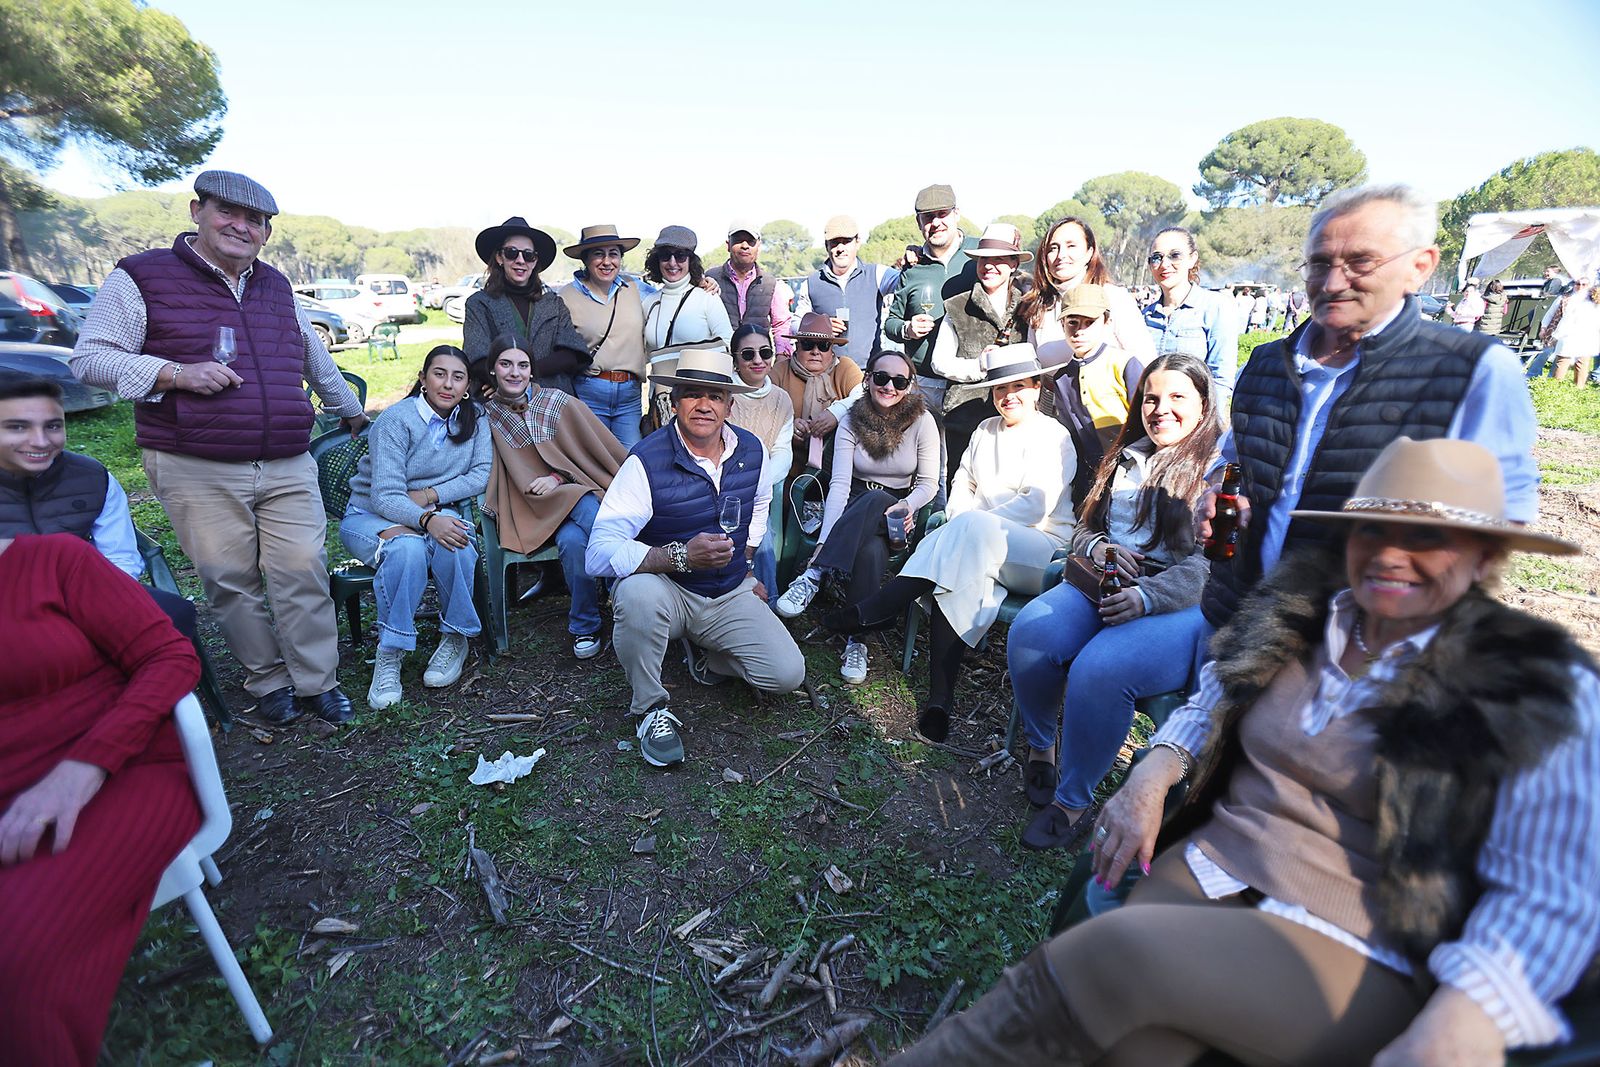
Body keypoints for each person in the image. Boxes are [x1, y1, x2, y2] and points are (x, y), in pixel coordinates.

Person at [890, 437, 1599, 1067]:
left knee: (1112, 957)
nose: (1390, 552)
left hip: (1357, 939)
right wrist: (1153, 772)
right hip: (1214, 864)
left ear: (1486, 558)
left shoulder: (1523, 684)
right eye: (1372, 527)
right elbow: (1210, 701)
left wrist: (1468, 1015)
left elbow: (1553, 889)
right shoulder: (1303, 614)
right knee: (1133, 1045)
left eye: (1426, 537)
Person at [70, 169, 365, 726]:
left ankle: (316, 681)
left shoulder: (274, 284)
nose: (242, 226)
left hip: (284, 457)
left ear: (267, 232)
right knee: (231, 580)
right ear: (196, 211)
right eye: (227, 211)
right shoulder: (142, 277)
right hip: (194, 463)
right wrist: (175, 374)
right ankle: (268, 679)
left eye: (255, 219)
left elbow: (309, 351)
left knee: (302, 568)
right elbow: (91, 358)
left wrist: (346, 406)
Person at [1007, 353, 1223, 851]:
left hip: (1177, 603)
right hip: (1105, 582)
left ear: (1204, 404)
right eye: (1151, 397)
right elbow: (1086, 527)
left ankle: (1072, 799)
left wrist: (1148, 595)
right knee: (1032, 633)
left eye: (1176, 398)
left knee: (1099, 668)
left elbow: (1212, 564)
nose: (1160, 408)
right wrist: (1099, 547)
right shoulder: (1127, 453)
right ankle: (1042, 746)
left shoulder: (1218, 470)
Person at [0, 533, 201, 1066]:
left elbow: (170, 655)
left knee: (12, 950)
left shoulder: (52, 559)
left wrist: (83, 766)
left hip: (127, 767)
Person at [822, 345, 1075, 742]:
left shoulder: (1054, 436)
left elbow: (1034, 505)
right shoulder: (985, 429)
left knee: (967, 535)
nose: (1008, 396)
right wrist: (962, 524)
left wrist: (967, 526)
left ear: (1037, 386)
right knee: (958, 574)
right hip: (977, 546)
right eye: (1000, 389)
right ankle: (940, 702)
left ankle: (878, 607)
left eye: (1019, 387)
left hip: (1038, 549)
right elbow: (963, 483)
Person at [585, 344, 806, 768]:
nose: (703, 405)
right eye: (691, 393)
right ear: (674, 402)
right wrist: (678, 557)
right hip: (670, 590)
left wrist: (745, 560)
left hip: (727, 592)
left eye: (715, 396)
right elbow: (598, 554)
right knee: (635, 595)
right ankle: (649, 709)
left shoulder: (751, 451)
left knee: (786, 675)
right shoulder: (646, 460)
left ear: (730, 404)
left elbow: (759, 507)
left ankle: (706, 654)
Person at [774, 349, 940, 684]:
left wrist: (907, 506)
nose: (889, 386)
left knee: (880, 503)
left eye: (899, 380)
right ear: (867, 380)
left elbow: (929, 484)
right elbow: (838, 486)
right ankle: (858, 637)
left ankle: (814, 575)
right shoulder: (852, 417)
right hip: (854, 499)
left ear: (908, 386)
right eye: (881, 378)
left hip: (897, 510)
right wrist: (824, 542)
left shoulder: (923, 421)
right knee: (870, 549)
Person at [339, 345, 491, 710]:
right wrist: (427, 521)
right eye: (439, 374)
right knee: (406, 550)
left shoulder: (475, 418)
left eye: (458, 377)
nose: (448, 384)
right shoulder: (396, 420)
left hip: (435, 508)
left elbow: (480, 473)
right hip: (370, 516)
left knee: (457, 542)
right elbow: (385, 497)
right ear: (423, 379)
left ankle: (455, 635)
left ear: (467, 385)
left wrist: (430, 497)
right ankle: (391, 650)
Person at [476, 334, 628, 659]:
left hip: (575, 493)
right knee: (583, 506)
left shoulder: (557, 402)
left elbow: (596, 451)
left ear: (532, 371)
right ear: (492, 370)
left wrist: (558, 478)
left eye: (522, 365)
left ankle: (585, 624)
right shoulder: (487, 418)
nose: (514, 373)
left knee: (575, 538)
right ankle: (628, 595)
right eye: (505, 364)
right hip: (529, 507)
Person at [929, 222, 1032, 474]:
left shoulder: (1030, 306)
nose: (989, 266)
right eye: (983, 259)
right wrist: (978, 367)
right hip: (966, 417)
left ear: (1014, 264)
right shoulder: (956, 306)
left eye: (998, 259)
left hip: (1017, 416)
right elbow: (939, 361)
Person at [462, 216, 589, 396]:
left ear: (535, 261)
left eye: (528, 255)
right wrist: (508, 385)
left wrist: (522, 375)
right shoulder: (479, 303)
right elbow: (477, 358)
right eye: (512, 252)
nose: (521, 260)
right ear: (499, 257)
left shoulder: (554, 303)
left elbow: (571, 355)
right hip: (500, 401)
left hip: (552, 400)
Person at [1019, 215, 1155, 371]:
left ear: (1089, 252)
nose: (1061, 255)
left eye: (1071, 246)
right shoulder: (1041, 306)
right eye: (1053, 248)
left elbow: (1146, 363)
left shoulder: (1114, 298)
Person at [885, 184, 980, 405]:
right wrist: (907, 329)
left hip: (972, 382)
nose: (936, 223)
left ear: (956, 214)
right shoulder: (911, 268)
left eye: (942, 214)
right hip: (924, 385)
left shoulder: (979, 253)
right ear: (919, 223)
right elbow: (891, 323)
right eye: (928, 217)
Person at [1051, 284, 1146, 505]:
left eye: (1089, 322)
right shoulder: (1062, 378)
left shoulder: (1124, 363)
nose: (1079, 331)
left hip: (1131, 471)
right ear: (1062, 324)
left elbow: (1144, 420)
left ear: (1107, 323)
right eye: (1072, 323)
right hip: (1089, 476)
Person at [558, 224, 650, 448]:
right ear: (586, 260)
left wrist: (705, 283)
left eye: (613, 254)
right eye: (598, 254)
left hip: (629, 395)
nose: (607, 262)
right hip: (589, 391)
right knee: (593, 459)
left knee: (630, 460)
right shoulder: (566, 296)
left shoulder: (636, 288)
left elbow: (672, 296)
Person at [727, 324, 796, 605]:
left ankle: (766, 602)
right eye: (748, 354)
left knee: (761, 526)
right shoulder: (725, 392)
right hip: (725, 480)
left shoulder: (781, 399)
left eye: (765, 352)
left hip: (761, 483)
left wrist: (760, 482)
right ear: (735, 359)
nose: (758, 360)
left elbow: (782, 450)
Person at [641, 225, 734, 429]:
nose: (673, 262)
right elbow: (644, 354)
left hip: (699, 404)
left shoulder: (707, 298)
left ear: (691, 260)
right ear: (657, 260)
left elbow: (728, 346)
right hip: (661, 404)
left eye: (680, 255)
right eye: (666, 255)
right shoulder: (649, 302)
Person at [1140, 226, 1238, 399]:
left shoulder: (1216, 307)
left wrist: (1206, 422)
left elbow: (1221, 379)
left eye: (1175, 255)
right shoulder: (1144, 316)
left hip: (1198, 420)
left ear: (1192, 259)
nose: (1164, 264)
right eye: (1157, 257)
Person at [793, 215, 900, 362]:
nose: (840, 248)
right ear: (827, 246)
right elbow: (794, 325)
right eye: (835, 243)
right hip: (827, 372)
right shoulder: (811, 283)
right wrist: (819, 326)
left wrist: (916, 260)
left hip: (868, 373)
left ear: (857, 242)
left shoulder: (878, 274)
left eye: (846, 241)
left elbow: (907, 282)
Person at [769, 312, 866, 470]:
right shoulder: (780, 371)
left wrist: (836, 413)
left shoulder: (844, 367)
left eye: (823, 345)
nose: (815, 351)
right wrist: (787, 425)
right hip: (789, 467)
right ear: (797, 345)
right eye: (808, 344)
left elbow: (864, 396)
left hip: (839, 468)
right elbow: (763, 410)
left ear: (831, 349)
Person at [705, 222, 794, 355]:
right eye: (738, 240)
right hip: (718, 358)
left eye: (751, 241)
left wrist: (781, 355)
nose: (745, 246)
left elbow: (781, 325)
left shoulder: (771, 283)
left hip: (755, 362)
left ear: (758, 246)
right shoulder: (709, 279)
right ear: (728, 245)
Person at [1550, 280, 1600, 386]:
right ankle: (1570, 390)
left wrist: (1556, 335)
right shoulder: (1592, 302)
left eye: (1583, 284)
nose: (1580, 286)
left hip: (1577, 337)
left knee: (1571, 364)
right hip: (1580, 337)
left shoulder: (1579, 301)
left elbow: (1567, 320)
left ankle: (1556, 389)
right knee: (1574, 364)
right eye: (1578, 284)